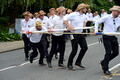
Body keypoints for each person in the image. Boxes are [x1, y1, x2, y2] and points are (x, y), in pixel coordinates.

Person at [94, 6, 120, 76]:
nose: (119, 13)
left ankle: (103, 62)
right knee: (108, 52)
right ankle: (105, 69)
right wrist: (96, 30)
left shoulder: (119, 19)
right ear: (113, 11)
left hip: (113, 36)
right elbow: (97, 21)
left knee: (116, 53)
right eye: (118, 11)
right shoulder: (107, 17)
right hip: (106, 36)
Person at [64, 3, 88, 70]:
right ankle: (69, 64)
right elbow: (65, 20)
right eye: (85, 8)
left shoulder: (83, 15)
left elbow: (84, 20)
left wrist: (84, 25)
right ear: (81, 9)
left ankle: (78, 62)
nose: (86, 9)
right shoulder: (73, 14)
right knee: (74, 50)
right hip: (74, 34)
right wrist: (69, 27)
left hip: (80, 33)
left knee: (85, 47)